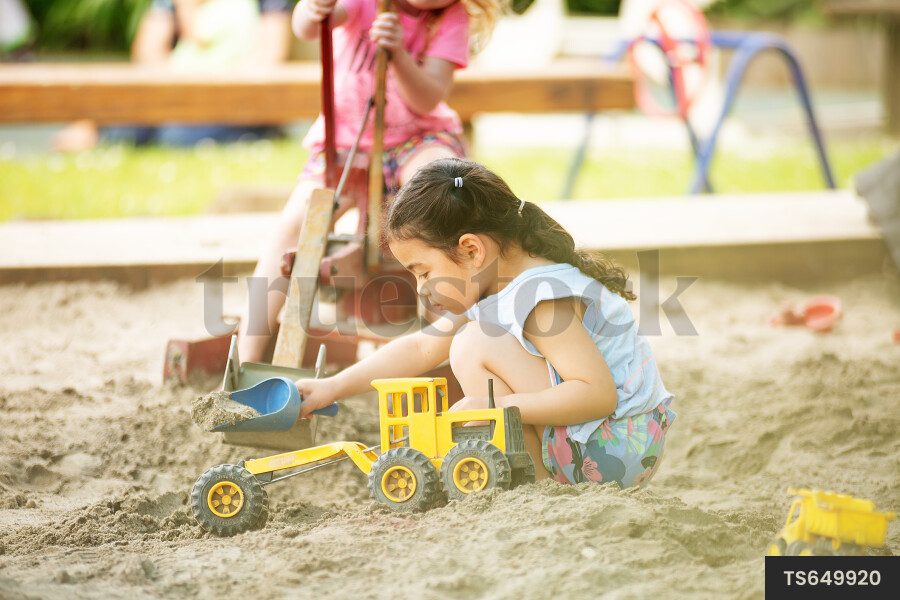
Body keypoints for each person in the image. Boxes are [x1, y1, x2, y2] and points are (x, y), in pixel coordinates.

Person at [294, 158, 676, 489]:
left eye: (423, 272)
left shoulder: (538, 296)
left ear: (472, 250)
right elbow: (421, 347)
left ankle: (536, 483)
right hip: (609, 445)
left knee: (472, 343)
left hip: (615, 446)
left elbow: (597, 395)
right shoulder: (495, 285)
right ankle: (536, 476)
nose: (421, 288)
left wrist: (498, 408)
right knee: (467, 339)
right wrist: (331, 388)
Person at [235, 0, 506, 363]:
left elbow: (427, 99)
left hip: (416, 138)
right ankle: (247, 350)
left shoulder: (449, 16)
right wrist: (314, 8)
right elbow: (309, 27)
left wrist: (397, 54)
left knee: (441, 199)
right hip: (344, 142)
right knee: (294, 226)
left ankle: (449, 341)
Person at [51, 0, 293, 151]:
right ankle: (96, 132)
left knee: (175, 136)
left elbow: (268, 58)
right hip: (176, 92)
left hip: (235, 98)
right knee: (127, 120)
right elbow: (147, 55)